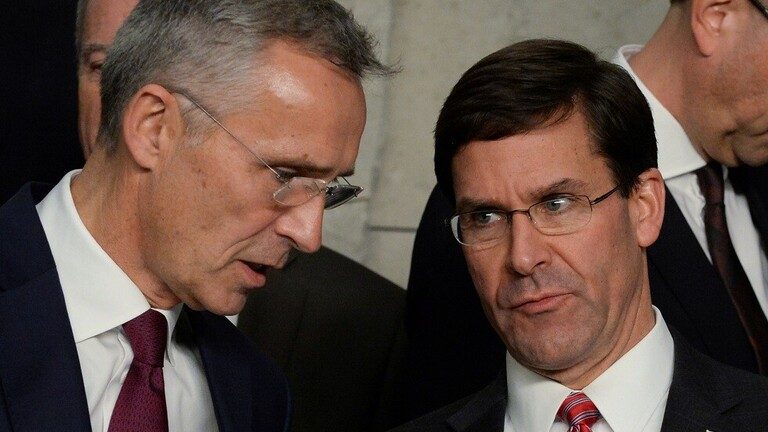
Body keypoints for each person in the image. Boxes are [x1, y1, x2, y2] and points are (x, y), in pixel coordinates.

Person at [0, 0, 391, 430]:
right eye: (286, 175)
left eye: (328, 190)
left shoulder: (257, 392)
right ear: (154, 128)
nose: (309, 235)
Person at [401, 0, 768, 419]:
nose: (522, 258)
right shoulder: (466, 198)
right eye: (485, 218)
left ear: (646, 206)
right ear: (715, 13)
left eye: (557, 204)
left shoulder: (749, 174)